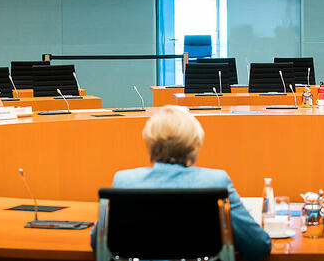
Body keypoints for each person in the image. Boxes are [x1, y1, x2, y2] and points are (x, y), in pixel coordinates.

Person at [90, 105, 271, 261]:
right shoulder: (215, 181)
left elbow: (97, 243)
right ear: (195, 144)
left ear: (150, 143)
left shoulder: (125, 181)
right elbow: (258, 246)